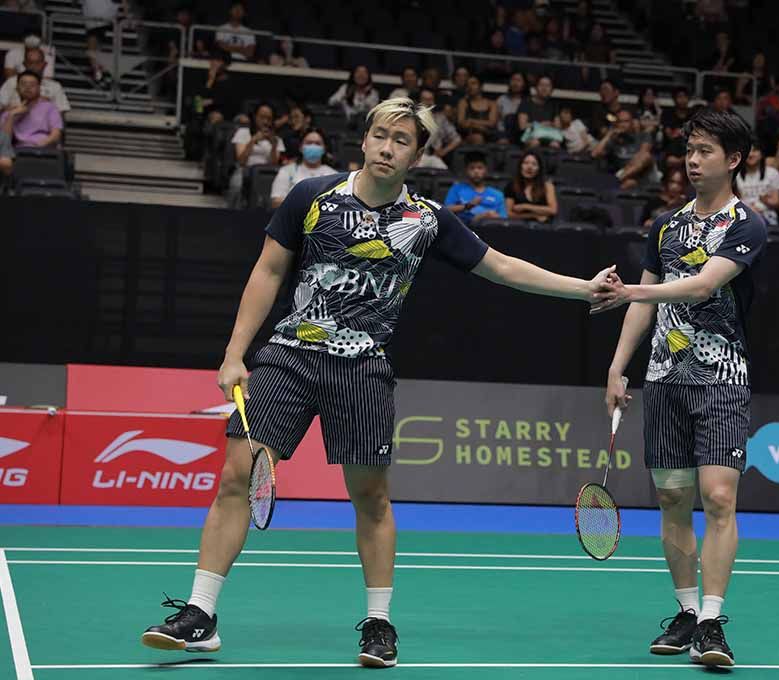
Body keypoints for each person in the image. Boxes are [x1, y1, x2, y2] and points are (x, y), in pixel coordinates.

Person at [139, 96, 622, 668]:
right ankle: (201, 614)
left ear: (416, 155)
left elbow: (503, 267)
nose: (387, 147)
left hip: (364, 367)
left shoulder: (426, 221)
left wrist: (582, 287)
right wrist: (234, 353)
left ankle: (378, 622)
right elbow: (268, 270)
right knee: (235, 475)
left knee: (369, 497)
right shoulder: (312, 196)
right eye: (380, 136)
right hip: (288, 357)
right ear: (364, 140)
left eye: (401, 141)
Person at [596, 107, 766, 669]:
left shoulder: (747, 226)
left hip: (720, 379)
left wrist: (629, 295)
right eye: (689, 151)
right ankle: (686, 611)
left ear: (734, 159)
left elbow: (699, 287)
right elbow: (646, 307)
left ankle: (714, 622)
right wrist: (619, 367)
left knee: (718, 496)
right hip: (665, 381)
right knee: (672, 496)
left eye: (705, 152)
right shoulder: (666, 227)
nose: (692, 161)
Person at [270, 128, 337, 208]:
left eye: (317, 143)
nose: (313, 146)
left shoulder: (334, 175)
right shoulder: (287, 171)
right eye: (309, 143)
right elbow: (275, 202)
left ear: (324, 149)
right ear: (301, 147)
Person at [504, 151, 558, 223]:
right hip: (519, 226)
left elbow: (553, 210)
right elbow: (508, 214)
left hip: (543, 227)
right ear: (520, 166)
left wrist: (525, 206)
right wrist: (533, 215)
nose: (529, 167)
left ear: (539, 169)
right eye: (526, 163)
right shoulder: (511, 186)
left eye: (534, 164)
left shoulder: (547, 186)